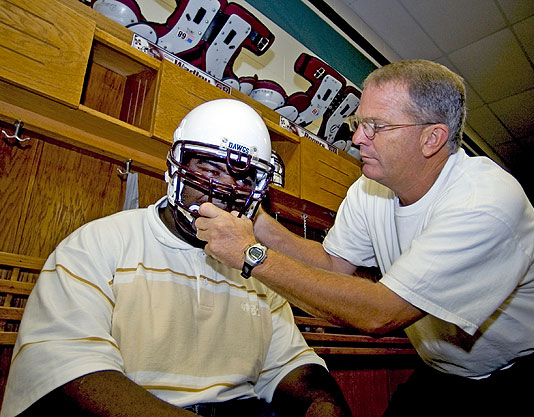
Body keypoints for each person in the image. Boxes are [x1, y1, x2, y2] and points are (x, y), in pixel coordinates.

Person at [194, 61, 534, 410]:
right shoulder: (369, 188)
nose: (356, 138)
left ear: (432, 138)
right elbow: (333, 264)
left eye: (376, 126)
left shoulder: (486, 201)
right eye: (358, 123)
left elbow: (381, 313)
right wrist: (257, 220)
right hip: (449, 369)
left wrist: (250, 255)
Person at [1, 99, 351, 417]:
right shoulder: (98, 244)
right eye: (210, 170)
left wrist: (322, 406)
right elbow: (72, 375)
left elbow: (293, 369)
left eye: (241, 178)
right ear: (175, 167)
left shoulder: (259, 270)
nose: (224, 189)